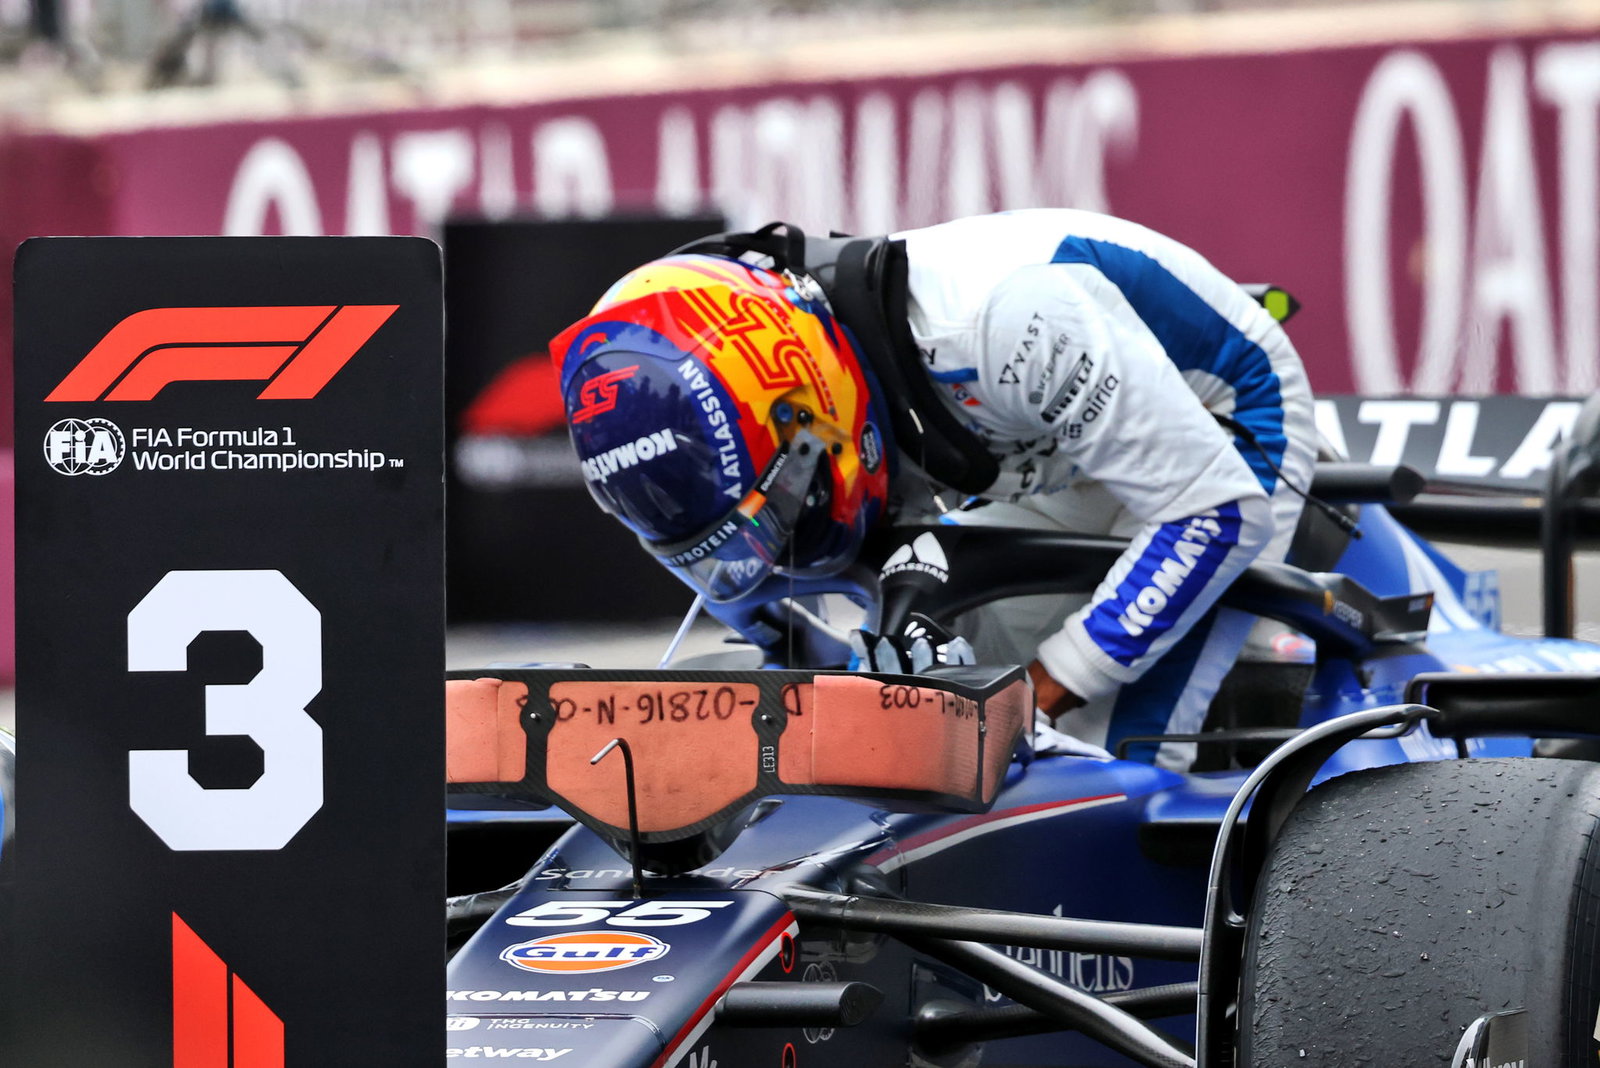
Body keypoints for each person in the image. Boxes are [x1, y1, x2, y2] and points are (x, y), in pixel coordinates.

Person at [550, 209, 1317, 769]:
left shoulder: (1005, 323)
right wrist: (805, 659)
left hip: (1222, 430)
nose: (770, 551)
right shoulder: (756, 435)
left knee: (1102, 757)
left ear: (811, 407)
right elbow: (753, 596)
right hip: (1049, 442)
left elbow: (1217, 510)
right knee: (921, 696)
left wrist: (1054, 685)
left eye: (785, 517)